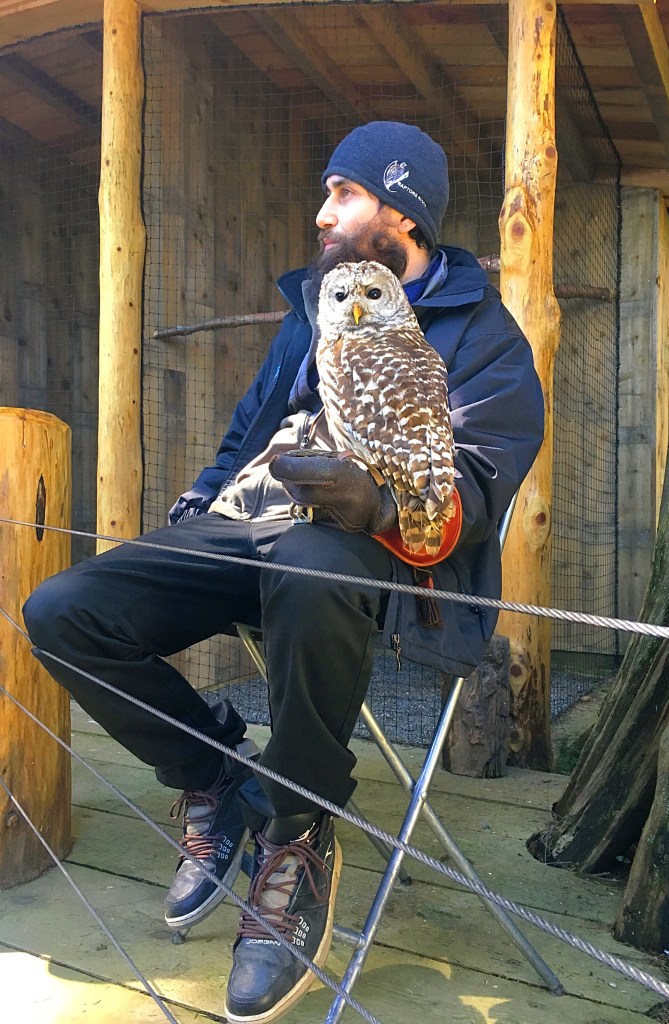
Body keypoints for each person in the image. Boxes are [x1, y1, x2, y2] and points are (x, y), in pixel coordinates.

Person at [23, 121, 544, 1023]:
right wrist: (200, 504)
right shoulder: (317, 305)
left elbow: (480, 476)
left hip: (383, 557)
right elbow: (254, 419)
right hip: (255, 517)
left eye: (342, 192)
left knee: (310, 566)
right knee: (65, 609)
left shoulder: (485, 336)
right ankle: (219, 774)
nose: (321, 211)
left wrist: (379, 505)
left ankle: (294, 833)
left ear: (402, 211)